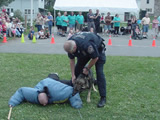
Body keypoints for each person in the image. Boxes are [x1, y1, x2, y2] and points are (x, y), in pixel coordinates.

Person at [63, 32, 107, 108]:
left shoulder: (86, 44)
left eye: (71, 52)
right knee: (77, 70)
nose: (71, 53)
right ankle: (74, 91)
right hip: (83, 52)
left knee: (99, 72)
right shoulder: (70, 43)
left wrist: (87, 68)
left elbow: (95, 58)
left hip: (98, 50)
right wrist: (73, 75)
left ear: (74, 48)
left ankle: (103, 97)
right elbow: (72, 60)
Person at [8, 74, 82, 109]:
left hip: (53, 82)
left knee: (70, 83)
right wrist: (12, 102)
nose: (44, 105)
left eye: (45, 103)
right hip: (44, 82)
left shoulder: (58, 93)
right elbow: (21, 91)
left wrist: (76, 104)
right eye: (42, 104)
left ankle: (55, 74)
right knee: (49, 78)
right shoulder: (33, 95)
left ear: (48, 97)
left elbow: (72, 91)